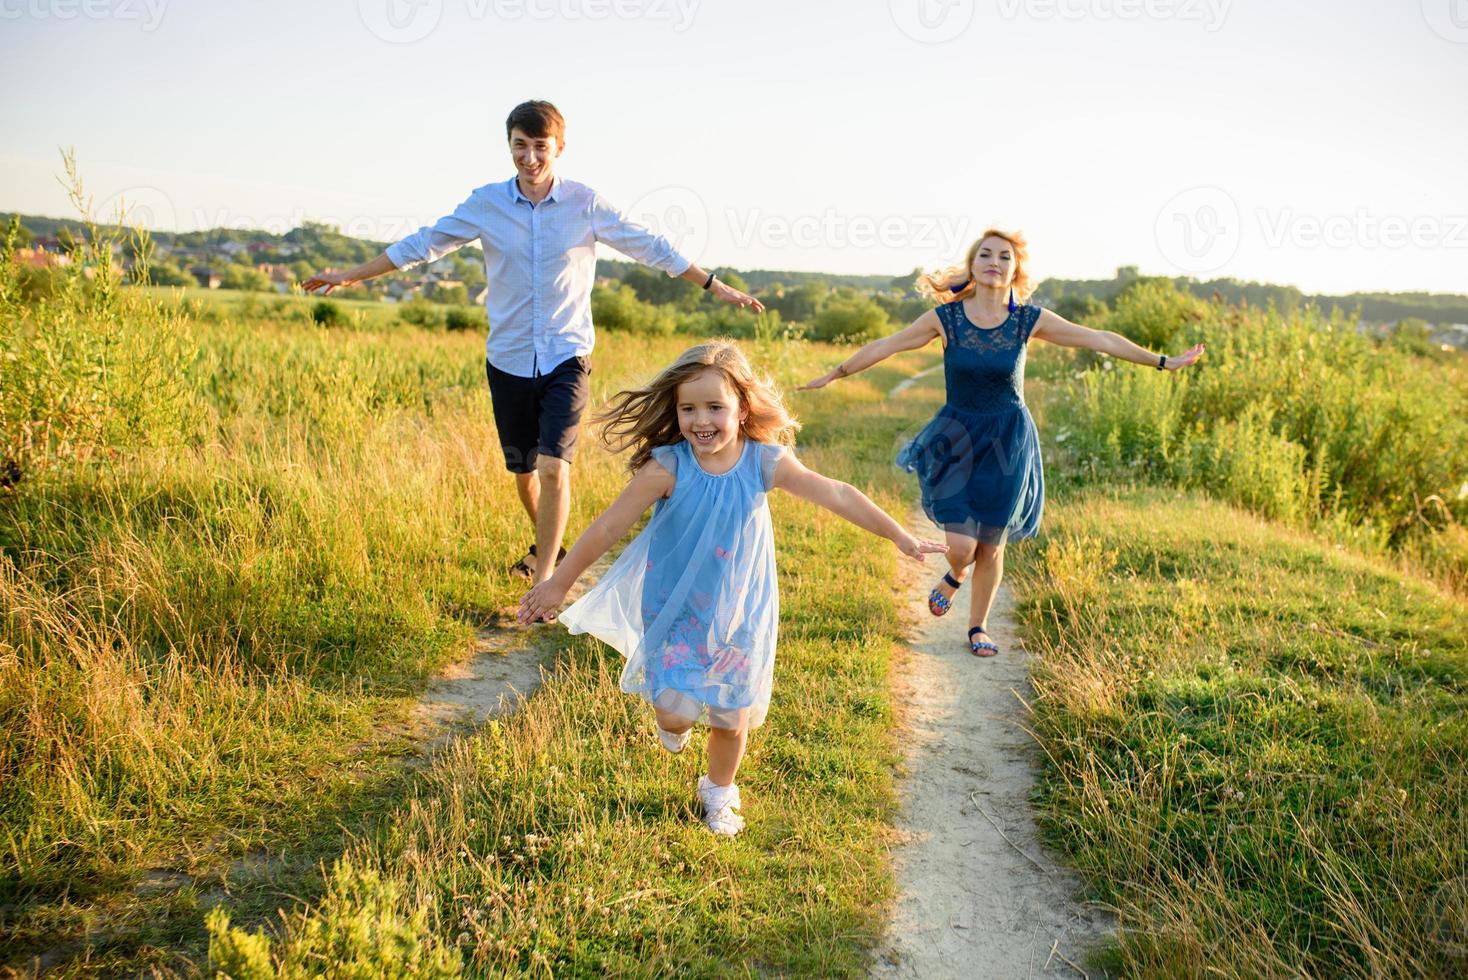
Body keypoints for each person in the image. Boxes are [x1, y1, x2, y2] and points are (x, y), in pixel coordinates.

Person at [302, 100, 762, 594]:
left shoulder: (584, 203)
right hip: (508, 360)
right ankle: (549, 543)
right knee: (525, 471)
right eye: (519, 146)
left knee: (553, 466)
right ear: (510, 147)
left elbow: (650, 245)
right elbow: (423, 244)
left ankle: (545, 581)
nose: (529, 157)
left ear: (558, 148)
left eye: (540, 146)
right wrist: (351, 276)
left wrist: (714, 284)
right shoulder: (487, 203)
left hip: (567, 357)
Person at [516, 341, 946, 835]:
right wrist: (557, 584)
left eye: (715, 407)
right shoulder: (668, 468)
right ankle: (671, 723)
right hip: (676, 607)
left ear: (742, 409)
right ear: (675, 411)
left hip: (741, 609)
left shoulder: (764, 463)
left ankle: (719, 792)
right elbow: (608, 528)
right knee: (676, 712)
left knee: (730, 713)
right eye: (689, 408)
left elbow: (837, 494)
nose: (702, 420)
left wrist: (901, 536)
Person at [800, 229, 1204, 657]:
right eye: (986, 255)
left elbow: (1099, 338)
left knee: (991, 544)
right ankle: (956, 572)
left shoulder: (1029, 320)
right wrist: (836, 373)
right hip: (957, 438)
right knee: (962, 546)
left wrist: (1163, 362)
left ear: (1015, 268)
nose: (995, 261)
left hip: (1008, 441)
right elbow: (889, 344)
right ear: (973, 266)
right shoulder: (947, 319)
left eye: (1004, 256)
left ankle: (978, 626)